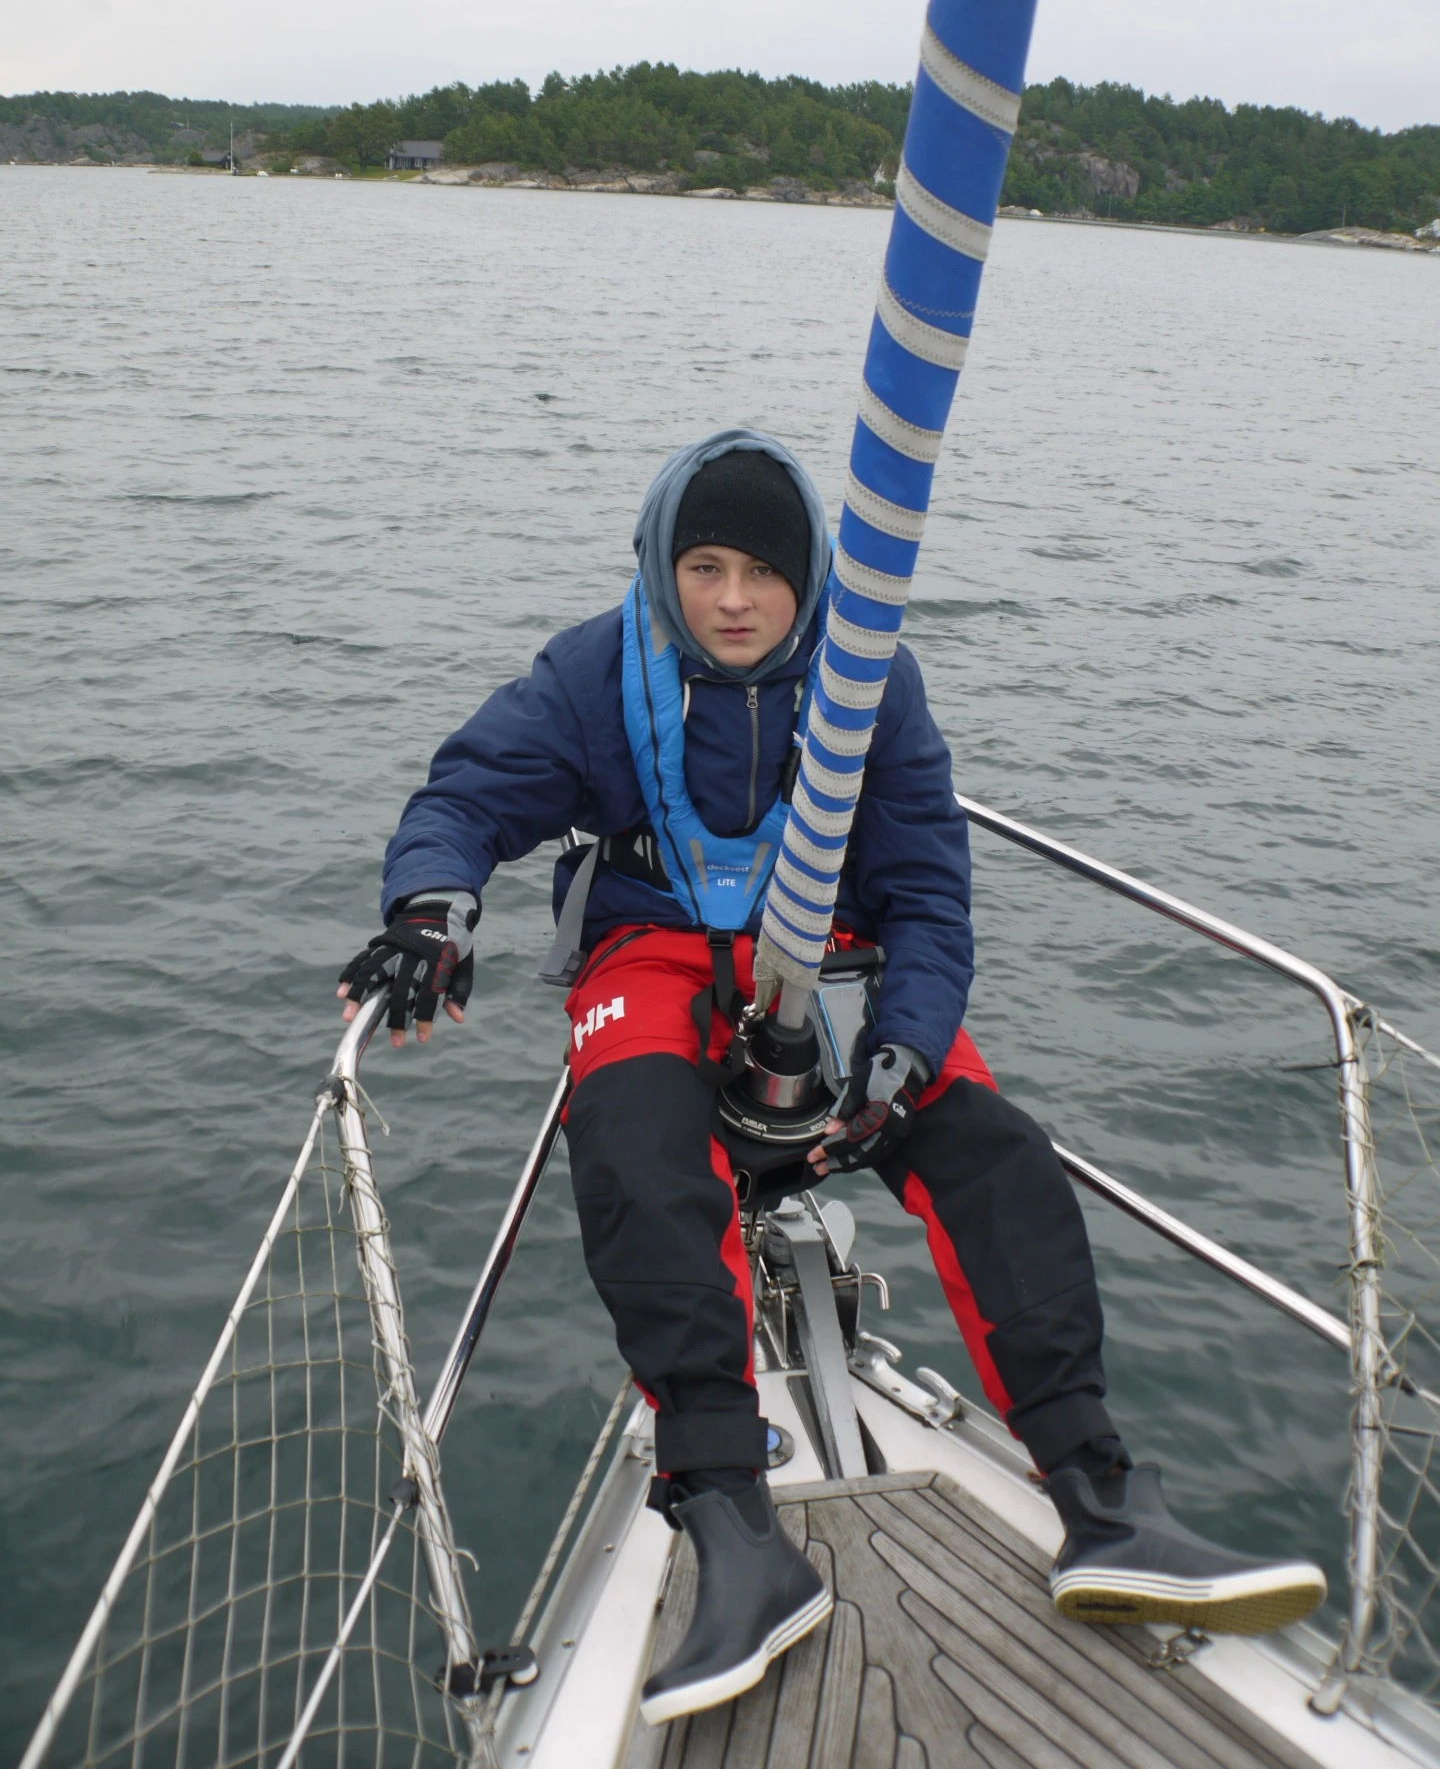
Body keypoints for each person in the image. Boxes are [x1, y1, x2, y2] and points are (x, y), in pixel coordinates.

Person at [338, 430, 1325, 1724]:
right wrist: (431, 908)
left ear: (808, 584)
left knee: (992, 1151)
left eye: (764, 572)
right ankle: (732, 1529)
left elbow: (927, 887)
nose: (734, 600)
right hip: (656, 948)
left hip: (842, 959)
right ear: (661, 564)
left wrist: (906, 1042)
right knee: (633, 1150)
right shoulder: (594, 672)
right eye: (704, 566)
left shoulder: (874, 683)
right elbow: (469, 796)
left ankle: (1101, 1498)